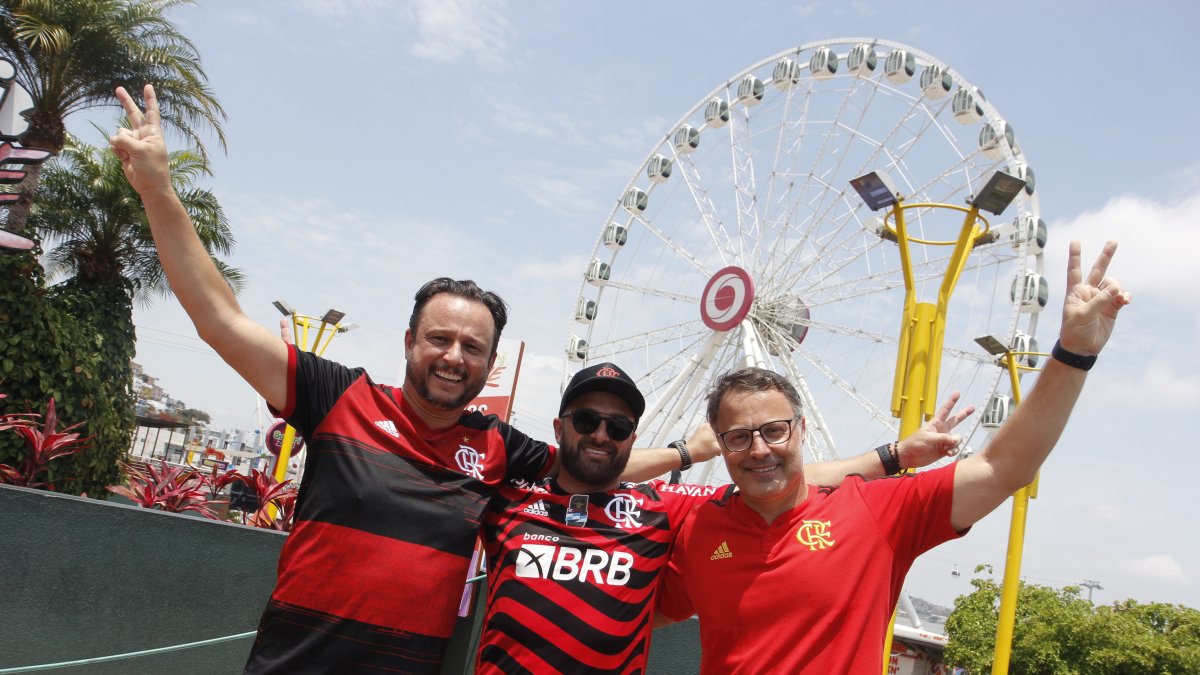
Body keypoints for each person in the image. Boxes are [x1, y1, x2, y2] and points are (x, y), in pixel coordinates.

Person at [108, 84, 712, 673]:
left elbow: (591, 460)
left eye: (472, 347)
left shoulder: (495, 446)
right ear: (409, 343)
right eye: (440, 339)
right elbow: (221, 320)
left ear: (488, 363)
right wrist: (158, 189)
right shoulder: (339, 397)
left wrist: (689, 451)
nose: (454, 357)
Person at [654, 241, 1131, 673]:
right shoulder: (698, 529)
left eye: (774, 431)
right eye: (738, 437)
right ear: (719, 443)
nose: (759, 450)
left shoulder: (874, 512)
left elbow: (1002, 467)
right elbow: (645, 610)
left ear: (802, 430)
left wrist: (1072, 354)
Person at [476, 362, 972, 673]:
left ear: (631, 437)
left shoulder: (663, 508)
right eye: (586, 421)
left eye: (619, 426)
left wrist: (894, 454)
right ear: (562, 426)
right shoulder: (505, 499)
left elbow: (780, 475)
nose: (602, 435)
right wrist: (685, 451)